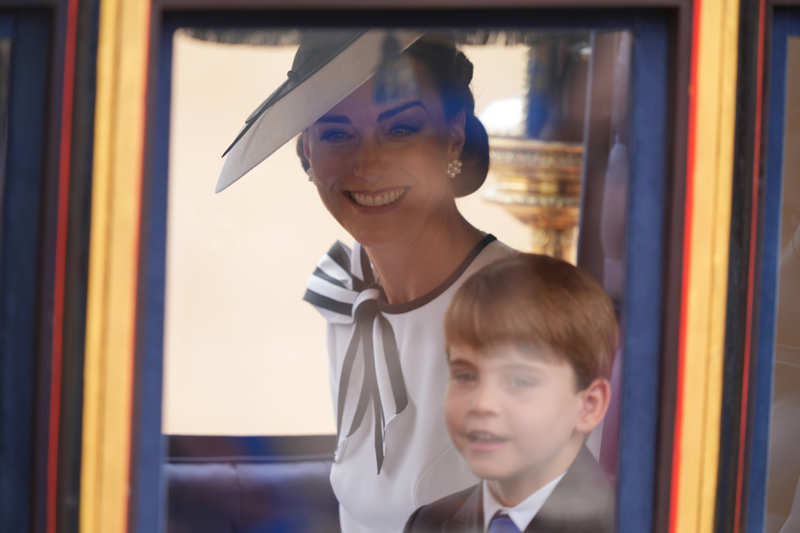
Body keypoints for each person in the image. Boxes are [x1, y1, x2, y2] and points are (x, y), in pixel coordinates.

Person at [219, 31, 516, 532]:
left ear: (453, 137)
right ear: (307, 153)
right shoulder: (346, 293)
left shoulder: (523, 309)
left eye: (400, 130)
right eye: (336, 134)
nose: (368, 163)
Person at [404, 253, 617, 533]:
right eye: (465, 375)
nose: (482, 403)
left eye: (519, 380)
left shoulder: (630, 523)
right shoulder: (428, 523)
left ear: (589, 406)